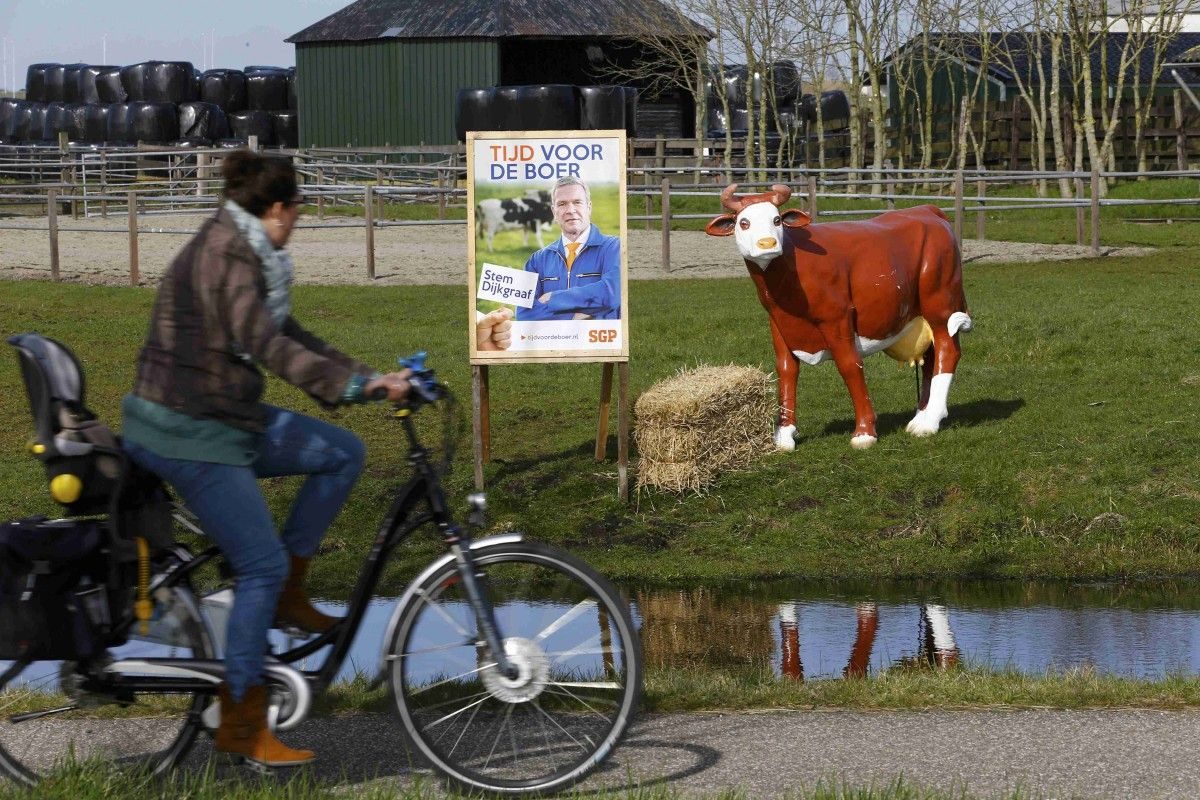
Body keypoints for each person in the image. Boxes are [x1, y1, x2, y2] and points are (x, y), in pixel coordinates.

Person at [120, 150, 411, 769]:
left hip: (225, 417)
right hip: (188, 431)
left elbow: (291, 333)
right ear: (277, 209)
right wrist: (357, 388)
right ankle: (244, 724)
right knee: (259, 565)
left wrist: (367, 377)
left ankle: (288, 593)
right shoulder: (226, 254)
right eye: (298, 206)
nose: (301, 216)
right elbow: (267, 344)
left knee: (340, 453)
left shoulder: (248, 248)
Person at [516, 176, 620, 321]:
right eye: (562, 204)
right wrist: (573, 317)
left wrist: (553, 298)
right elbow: (524, 313)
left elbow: (612, 294)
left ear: (589, 207)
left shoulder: (614, 247)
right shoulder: (536, 260)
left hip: (598, 341)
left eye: (577, 202)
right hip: (553, 343)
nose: (570, 210)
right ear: (554, 211)